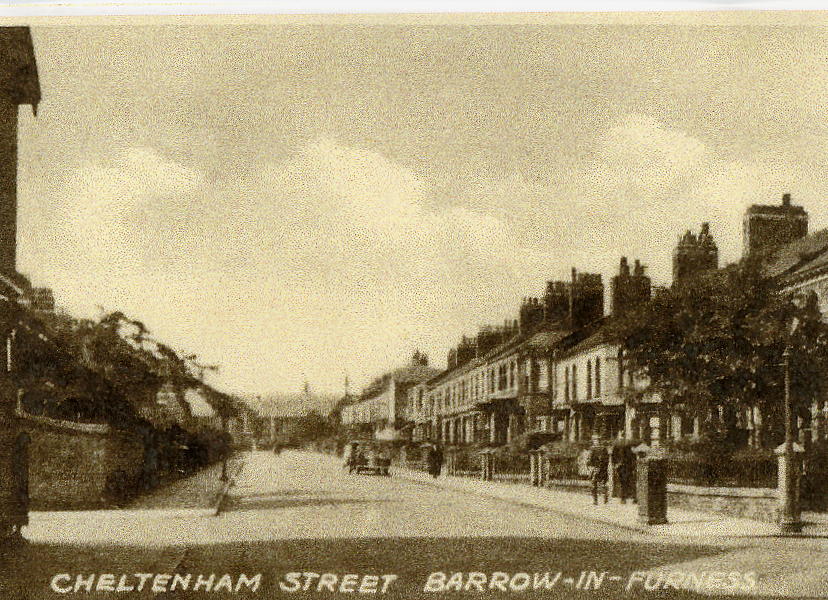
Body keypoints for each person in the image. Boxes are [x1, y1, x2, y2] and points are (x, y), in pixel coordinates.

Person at [587, 436, 609, 505]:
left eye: (595, 440)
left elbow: (589, 460)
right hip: (603, 469)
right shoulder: (604, 448)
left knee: (594, 484)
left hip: (596, 469)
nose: (595, 441)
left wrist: (589, 466)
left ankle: (595, 500)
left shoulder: (593, 449)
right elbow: (607, 459)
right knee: (603, 483)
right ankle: (605, 497)